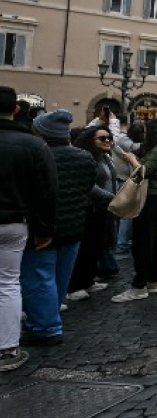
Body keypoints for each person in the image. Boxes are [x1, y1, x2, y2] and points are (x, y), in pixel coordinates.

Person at [0, 87, 57, 371]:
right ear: (17, 110)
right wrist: (44, 229)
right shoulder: (34, 144)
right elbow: (47, 191)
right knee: (8, 284)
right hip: (13, 222)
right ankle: (8, 349)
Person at [16, 108, 78, 350]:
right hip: (73, 229)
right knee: (58, 279)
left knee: (39, 277)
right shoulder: (83, 156)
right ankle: (48, 319)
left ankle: (46, 327)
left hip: (45, 227)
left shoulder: (38, 156)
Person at [111, 120, 157, 301]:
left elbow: (143, 172)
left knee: (143, 241)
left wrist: (132, 160)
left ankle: (139, 285)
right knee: (154, 239)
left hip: (151, 198)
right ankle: (154, 280)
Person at [67, 125, 119, 299]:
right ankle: (75, 285)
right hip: (90, 207)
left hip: (103, 207)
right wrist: (112, 197)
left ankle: (88, 279)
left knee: (97, 244)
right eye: (102, 138)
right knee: (85, 245)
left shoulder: (105, 157)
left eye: (108, 137)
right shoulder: (87, 158)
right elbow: (90, 186)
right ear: (91, 140)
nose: (107, 141)